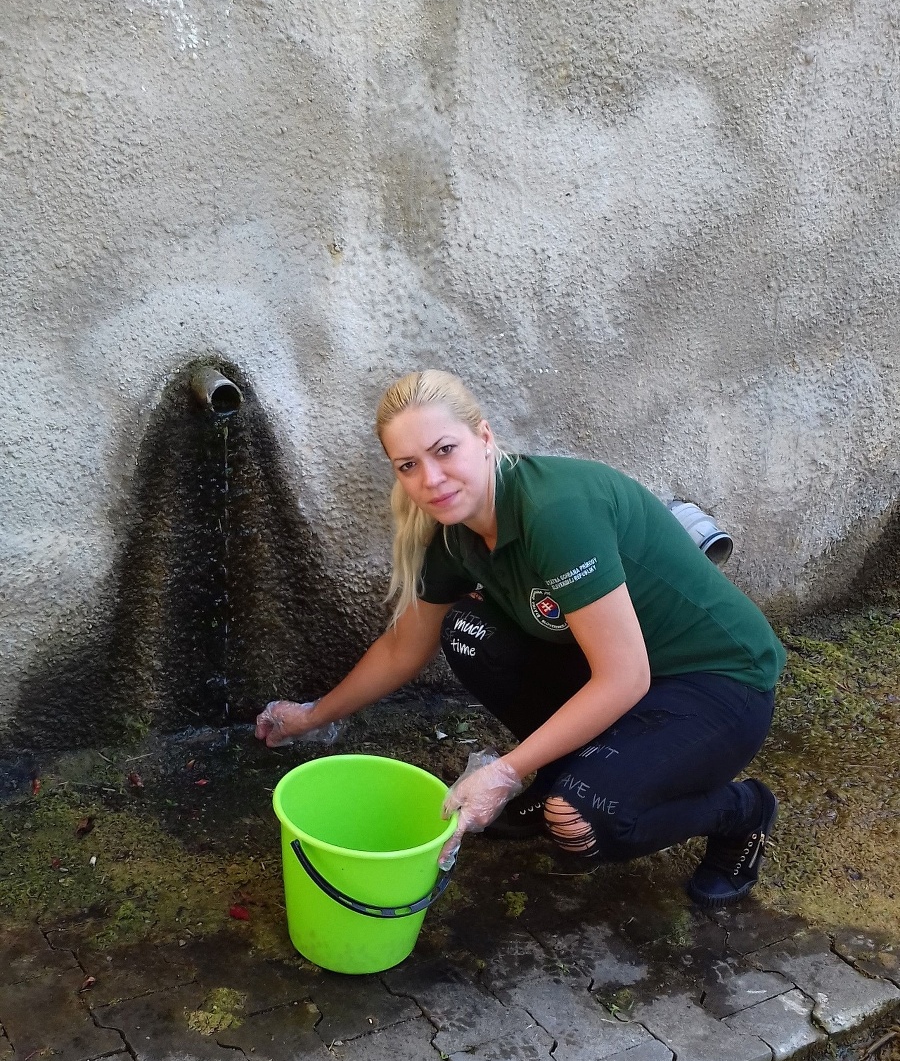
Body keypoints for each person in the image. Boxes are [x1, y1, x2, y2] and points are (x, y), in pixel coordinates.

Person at [256, 370, 785, 907]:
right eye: (408, 465)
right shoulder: (454, 531)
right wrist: (313, 716)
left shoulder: (554, 513)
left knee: (578, 821)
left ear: (484, 438)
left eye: (445, 450)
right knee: (466, 631)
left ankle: (742, 812)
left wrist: (504, 771)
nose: (431, 479)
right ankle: (564, 770)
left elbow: (625, 677)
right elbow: (402, 648)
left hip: (719, 684)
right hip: (620, 672)